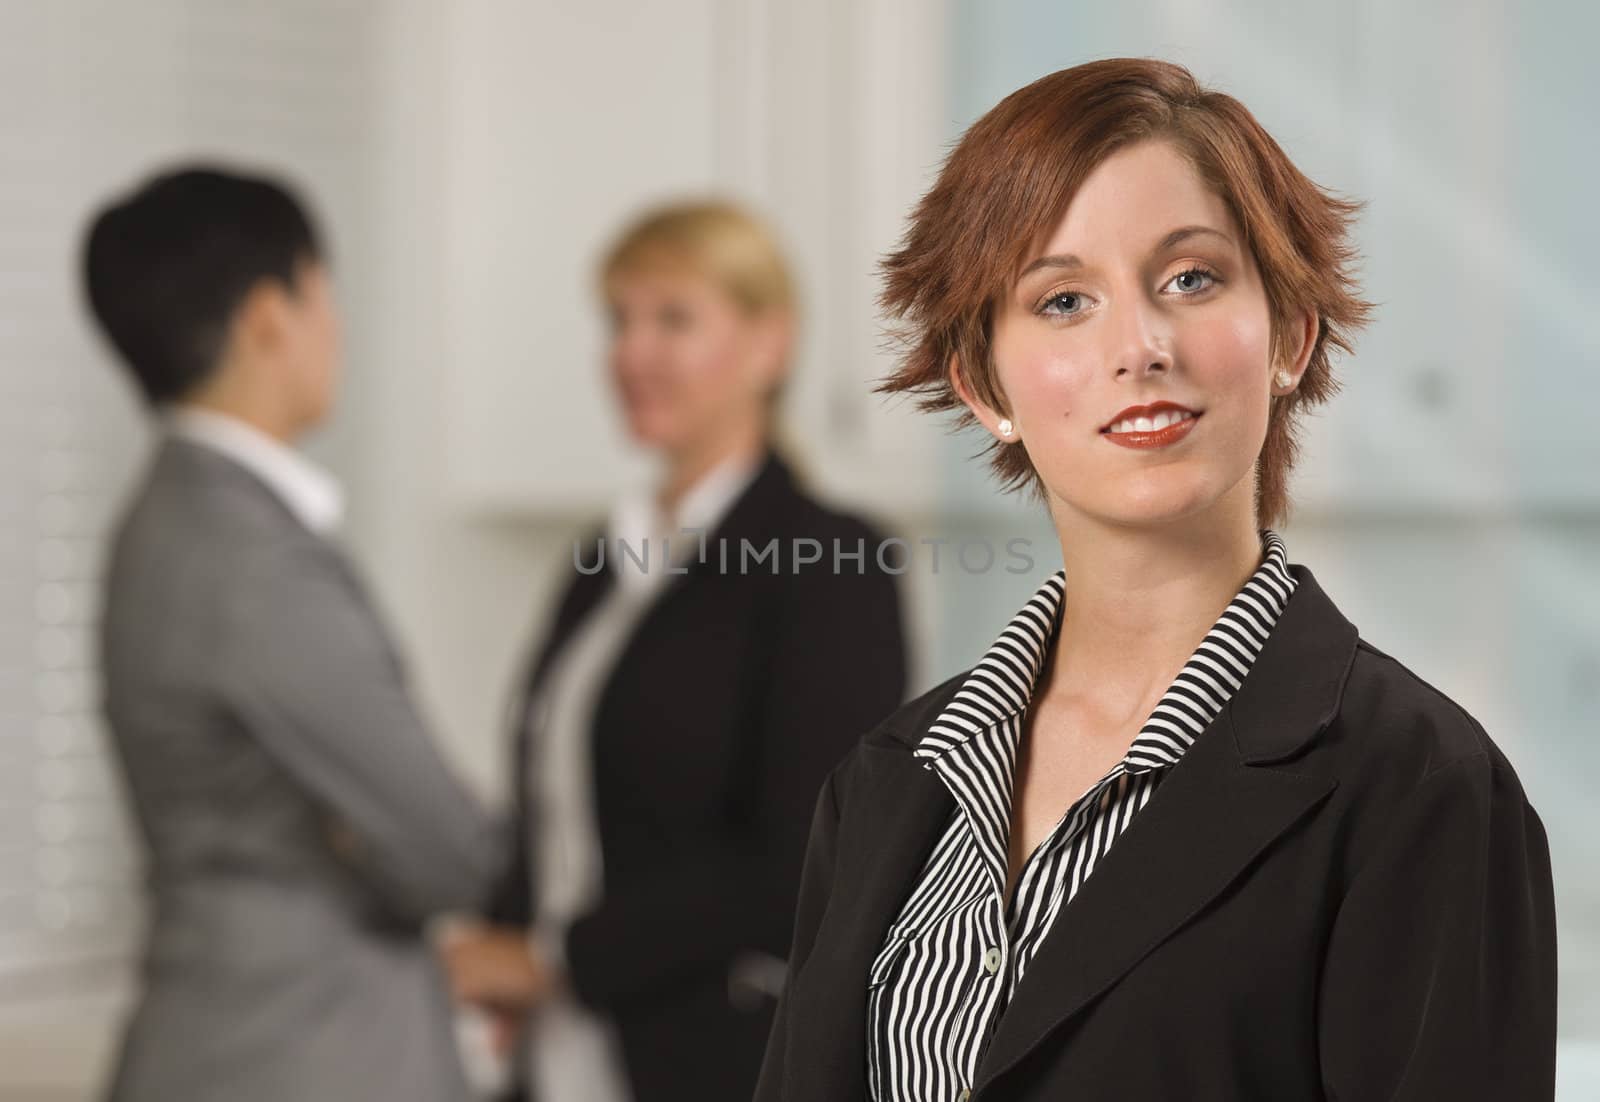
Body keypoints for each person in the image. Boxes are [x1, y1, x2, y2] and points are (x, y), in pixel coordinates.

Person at [755, 58, 1558, 1102]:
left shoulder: (1419, 786)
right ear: (983, 384)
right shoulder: (889, 779)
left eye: (1191, 279)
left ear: (1289, 334)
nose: (1137, 346)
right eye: (1062, 299)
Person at [441, 200, 908, 1102]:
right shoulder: (601, 557)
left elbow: (806, 857)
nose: (632, 353)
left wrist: (551, 960)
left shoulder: (832, 560)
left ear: (770, 345)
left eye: (674, 319)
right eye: (620, 320)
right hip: (551, 1062)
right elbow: (559, 807)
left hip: (713, 1062)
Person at [82, 165, 499, 1102]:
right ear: (269, 316)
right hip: (295, 1053)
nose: (335, 327)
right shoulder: (246, 553)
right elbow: (448, 847)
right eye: (323, 294)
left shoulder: (169, 520)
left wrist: (358, 829)